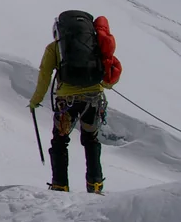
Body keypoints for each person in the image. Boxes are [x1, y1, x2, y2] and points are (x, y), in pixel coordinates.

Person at [28, 11, 121, 194]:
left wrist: (35, 101)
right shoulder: (94, 44)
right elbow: (107, 79)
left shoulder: (54, 48)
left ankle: (60, 184)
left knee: (60, 141)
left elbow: (45, 76)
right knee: (91, 140)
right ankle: (95, 184)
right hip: (94, 98)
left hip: (67, 101)